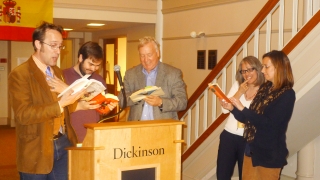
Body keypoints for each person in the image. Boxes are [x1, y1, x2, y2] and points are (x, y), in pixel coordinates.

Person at [8, 22, 85, 180]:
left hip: (63, 143)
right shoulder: (20, 74)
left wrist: (79, 103)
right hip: (36, 148)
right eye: (53, 45)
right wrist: (61, 104)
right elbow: (23, 114)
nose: (58, 51)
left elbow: (63, 108)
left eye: (60, 46)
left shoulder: (56, 71)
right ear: (38, 44)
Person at [221, 50, 295, 180]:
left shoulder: (287, 94)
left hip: (269, 154)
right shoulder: (265, 88)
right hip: (251, 149)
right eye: (262, 66)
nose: (262, 70)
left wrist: (243, 108)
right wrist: (232, 108)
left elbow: (269, 124)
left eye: (266, 66)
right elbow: (248, 119)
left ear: (279, 67)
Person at [217, 56, 265, 180]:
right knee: (222, 175)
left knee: (245, 175)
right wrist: (239, 93)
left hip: (249, 139)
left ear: (258, 70)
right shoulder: (238, 85)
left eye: (250, 70)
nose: (247, 74)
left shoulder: (265, 90)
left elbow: (258, 118)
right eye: (244, 71)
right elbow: (224, 110)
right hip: (229, 136)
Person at [120, 36, 187, 121]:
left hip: (162, 128)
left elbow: (182, 102)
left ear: (158, 53)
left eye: (149, 55)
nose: (146, 59)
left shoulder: (173, 74)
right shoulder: (131, 74)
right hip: (136, 129)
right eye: (142, 56)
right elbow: (121, 101)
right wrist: (140, 94)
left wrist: (160, 102)